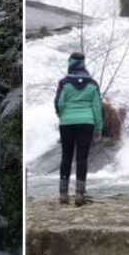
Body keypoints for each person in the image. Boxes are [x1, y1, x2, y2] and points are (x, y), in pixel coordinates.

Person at [55, 52, 104, 206]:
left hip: (67, 123)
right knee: (82, 158)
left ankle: (63, 194)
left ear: (70, 63)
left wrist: (62, 116)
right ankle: (79, 194)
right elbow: (97, 107)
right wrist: (98, 128)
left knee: (66, 157)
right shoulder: (93, 84)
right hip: (86, 123)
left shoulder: (64, 83)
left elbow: (59, 103)